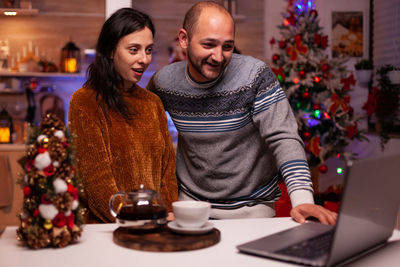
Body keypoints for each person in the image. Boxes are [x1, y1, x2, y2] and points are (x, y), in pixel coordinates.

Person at [147, 1, 336, 225]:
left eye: (227, 46)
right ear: (184, 39)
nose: (218, 57)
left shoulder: (255, 76)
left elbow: (284, 137)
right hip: (190, 208)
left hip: (253, 210)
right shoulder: (164, 82)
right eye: (209, 45)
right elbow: (142, 126)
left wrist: (302, 199)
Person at [69, 8, 178, 223]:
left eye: (148, 50)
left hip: (155, 226)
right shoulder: (85, 102)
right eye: (134, 50)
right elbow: (96, 182)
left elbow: (168, 172)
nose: (144, 59)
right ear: (110, 51)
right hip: (107, 230)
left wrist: (167, 214)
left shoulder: (153, 103)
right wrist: (138, 220)